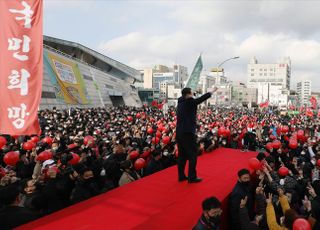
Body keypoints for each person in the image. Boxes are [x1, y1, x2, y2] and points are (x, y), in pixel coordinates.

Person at [176, 87, 217, 183]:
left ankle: (181, 176)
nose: (193, 93)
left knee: (182, 156)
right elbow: (201, 99)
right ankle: (192, 177)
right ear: (188, 94)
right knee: (193, 155)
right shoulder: (189, 102)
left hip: (179, 132)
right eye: (192, 92)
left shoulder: (180, 102)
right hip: (187, 133)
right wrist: (211, 91)